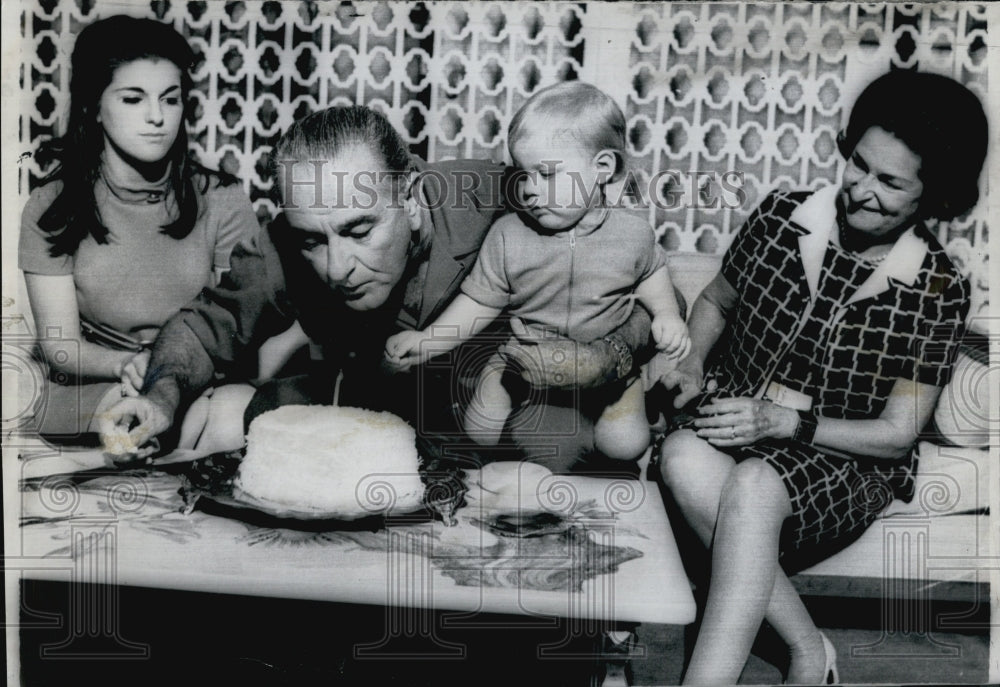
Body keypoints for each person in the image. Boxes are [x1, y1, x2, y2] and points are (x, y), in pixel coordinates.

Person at [653, 70, 986, 684]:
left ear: (933, 198)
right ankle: (809, 648)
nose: (860, 189)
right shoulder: (782, 216)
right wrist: (694, 361)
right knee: (678, 455)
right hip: (743, 425)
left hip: (845, 457)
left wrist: (788, 422)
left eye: (889, 182)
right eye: (858, 163)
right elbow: (717, 304)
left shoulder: (938, 287)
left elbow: (894, 435)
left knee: (753, 484)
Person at [99, 104, 656, 469]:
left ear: (411, 198)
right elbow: (201, 330)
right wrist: (160, 398)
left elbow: (647, 293)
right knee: (219, 419)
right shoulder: (289, 239)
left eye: (360, 229)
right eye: (314, 241)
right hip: (376, 426)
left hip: (510, 442)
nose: (337, 267)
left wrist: (604, 357)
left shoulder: (503, 198)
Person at [385, 82, 689, 464]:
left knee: (625, 446)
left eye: (546, 175)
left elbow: (651, 274)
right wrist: (429, 339)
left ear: (602, 169)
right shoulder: (509, 234)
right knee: (480, 430)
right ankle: (501, 397)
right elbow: (478, 300)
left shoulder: (632, 233)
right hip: (523, 358)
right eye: (522, 174)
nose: (528, 190)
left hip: (604, 368)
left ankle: (631, 401)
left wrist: (667, 315)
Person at [18, 15, 259, 443]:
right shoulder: (51, 205)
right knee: (105, 409)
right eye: (133, 99)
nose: (156, 117)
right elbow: (61, 347)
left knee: (229, 410)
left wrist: (168, 376)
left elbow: (237, 332)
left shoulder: (223, 200)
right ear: (93, 105)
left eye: (171, 99)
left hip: (197, 379)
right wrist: (124, 365)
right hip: (95, 384)